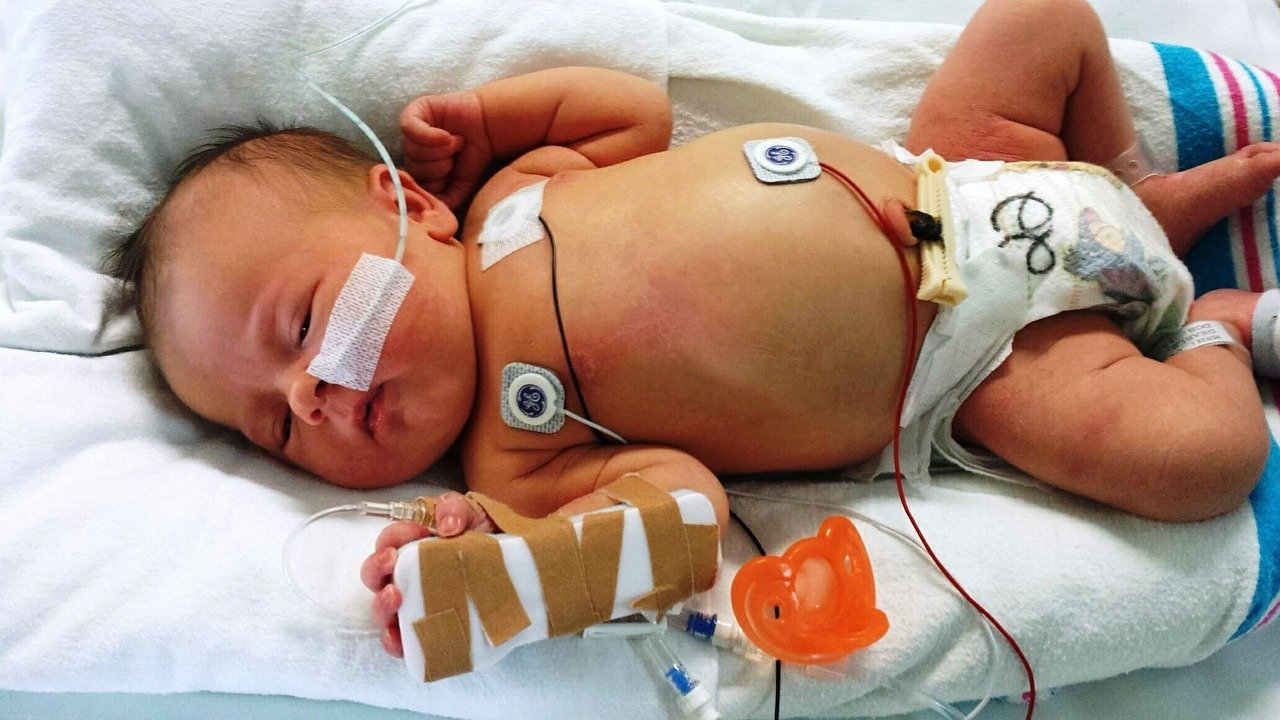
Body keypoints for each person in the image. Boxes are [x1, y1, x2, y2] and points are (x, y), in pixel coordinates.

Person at [104, 0, 1280, 658]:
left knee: (1039, 16)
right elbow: (678, 507)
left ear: (409, 206)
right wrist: (491, 545)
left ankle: (1132, 185)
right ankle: (1215, 329)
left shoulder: (521, 194)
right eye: (270, 422)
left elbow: (634, 109)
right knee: (1197, 466)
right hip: (979, 360)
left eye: (304, 322)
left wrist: (484, 118)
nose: (312, 388)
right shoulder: (524, 453)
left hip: (967, 168)